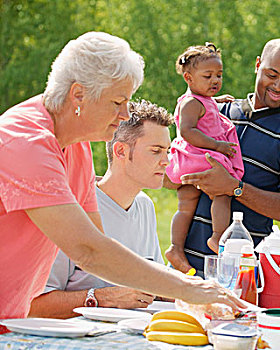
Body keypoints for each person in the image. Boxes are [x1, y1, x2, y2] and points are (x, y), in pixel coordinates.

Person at [0, 32, 246, 332]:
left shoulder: (75, 146)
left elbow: (101, 245)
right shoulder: (26, 142)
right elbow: (87, 250)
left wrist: (188, 285)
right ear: (78, 95)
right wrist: (188, 289)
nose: (124, 114)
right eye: (118, 101)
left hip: (11, 322)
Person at [170, 38, 280, 275]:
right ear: (257, 64)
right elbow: (169, 173)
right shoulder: (215, 111)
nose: (279, 86)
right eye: (272, 74)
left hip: (244, 272)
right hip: (185, 267)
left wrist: (234, 187)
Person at [28, 100, 173, 318]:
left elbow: (155, 282)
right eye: (156, 151)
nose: (167, 161)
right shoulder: (72, 209)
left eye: (168, 151)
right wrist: (103, 298)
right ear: (121, 151)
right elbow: (33, 305)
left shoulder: (145, 207)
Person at [165, 43, 243, 272]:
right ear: (188, 78)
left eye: (219, 75)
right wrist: (217, 145)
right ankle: (217, 237)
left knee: (185, 206)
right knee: (222, 193)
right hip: (200, 156)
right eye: (207, 76)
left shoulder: (199, 99)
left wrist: (217, 102)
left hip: (189, 159)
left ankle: (175, 247)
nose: (215, 81)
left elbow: (203, 108)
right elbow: (188, 130)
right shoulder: (191, 103)